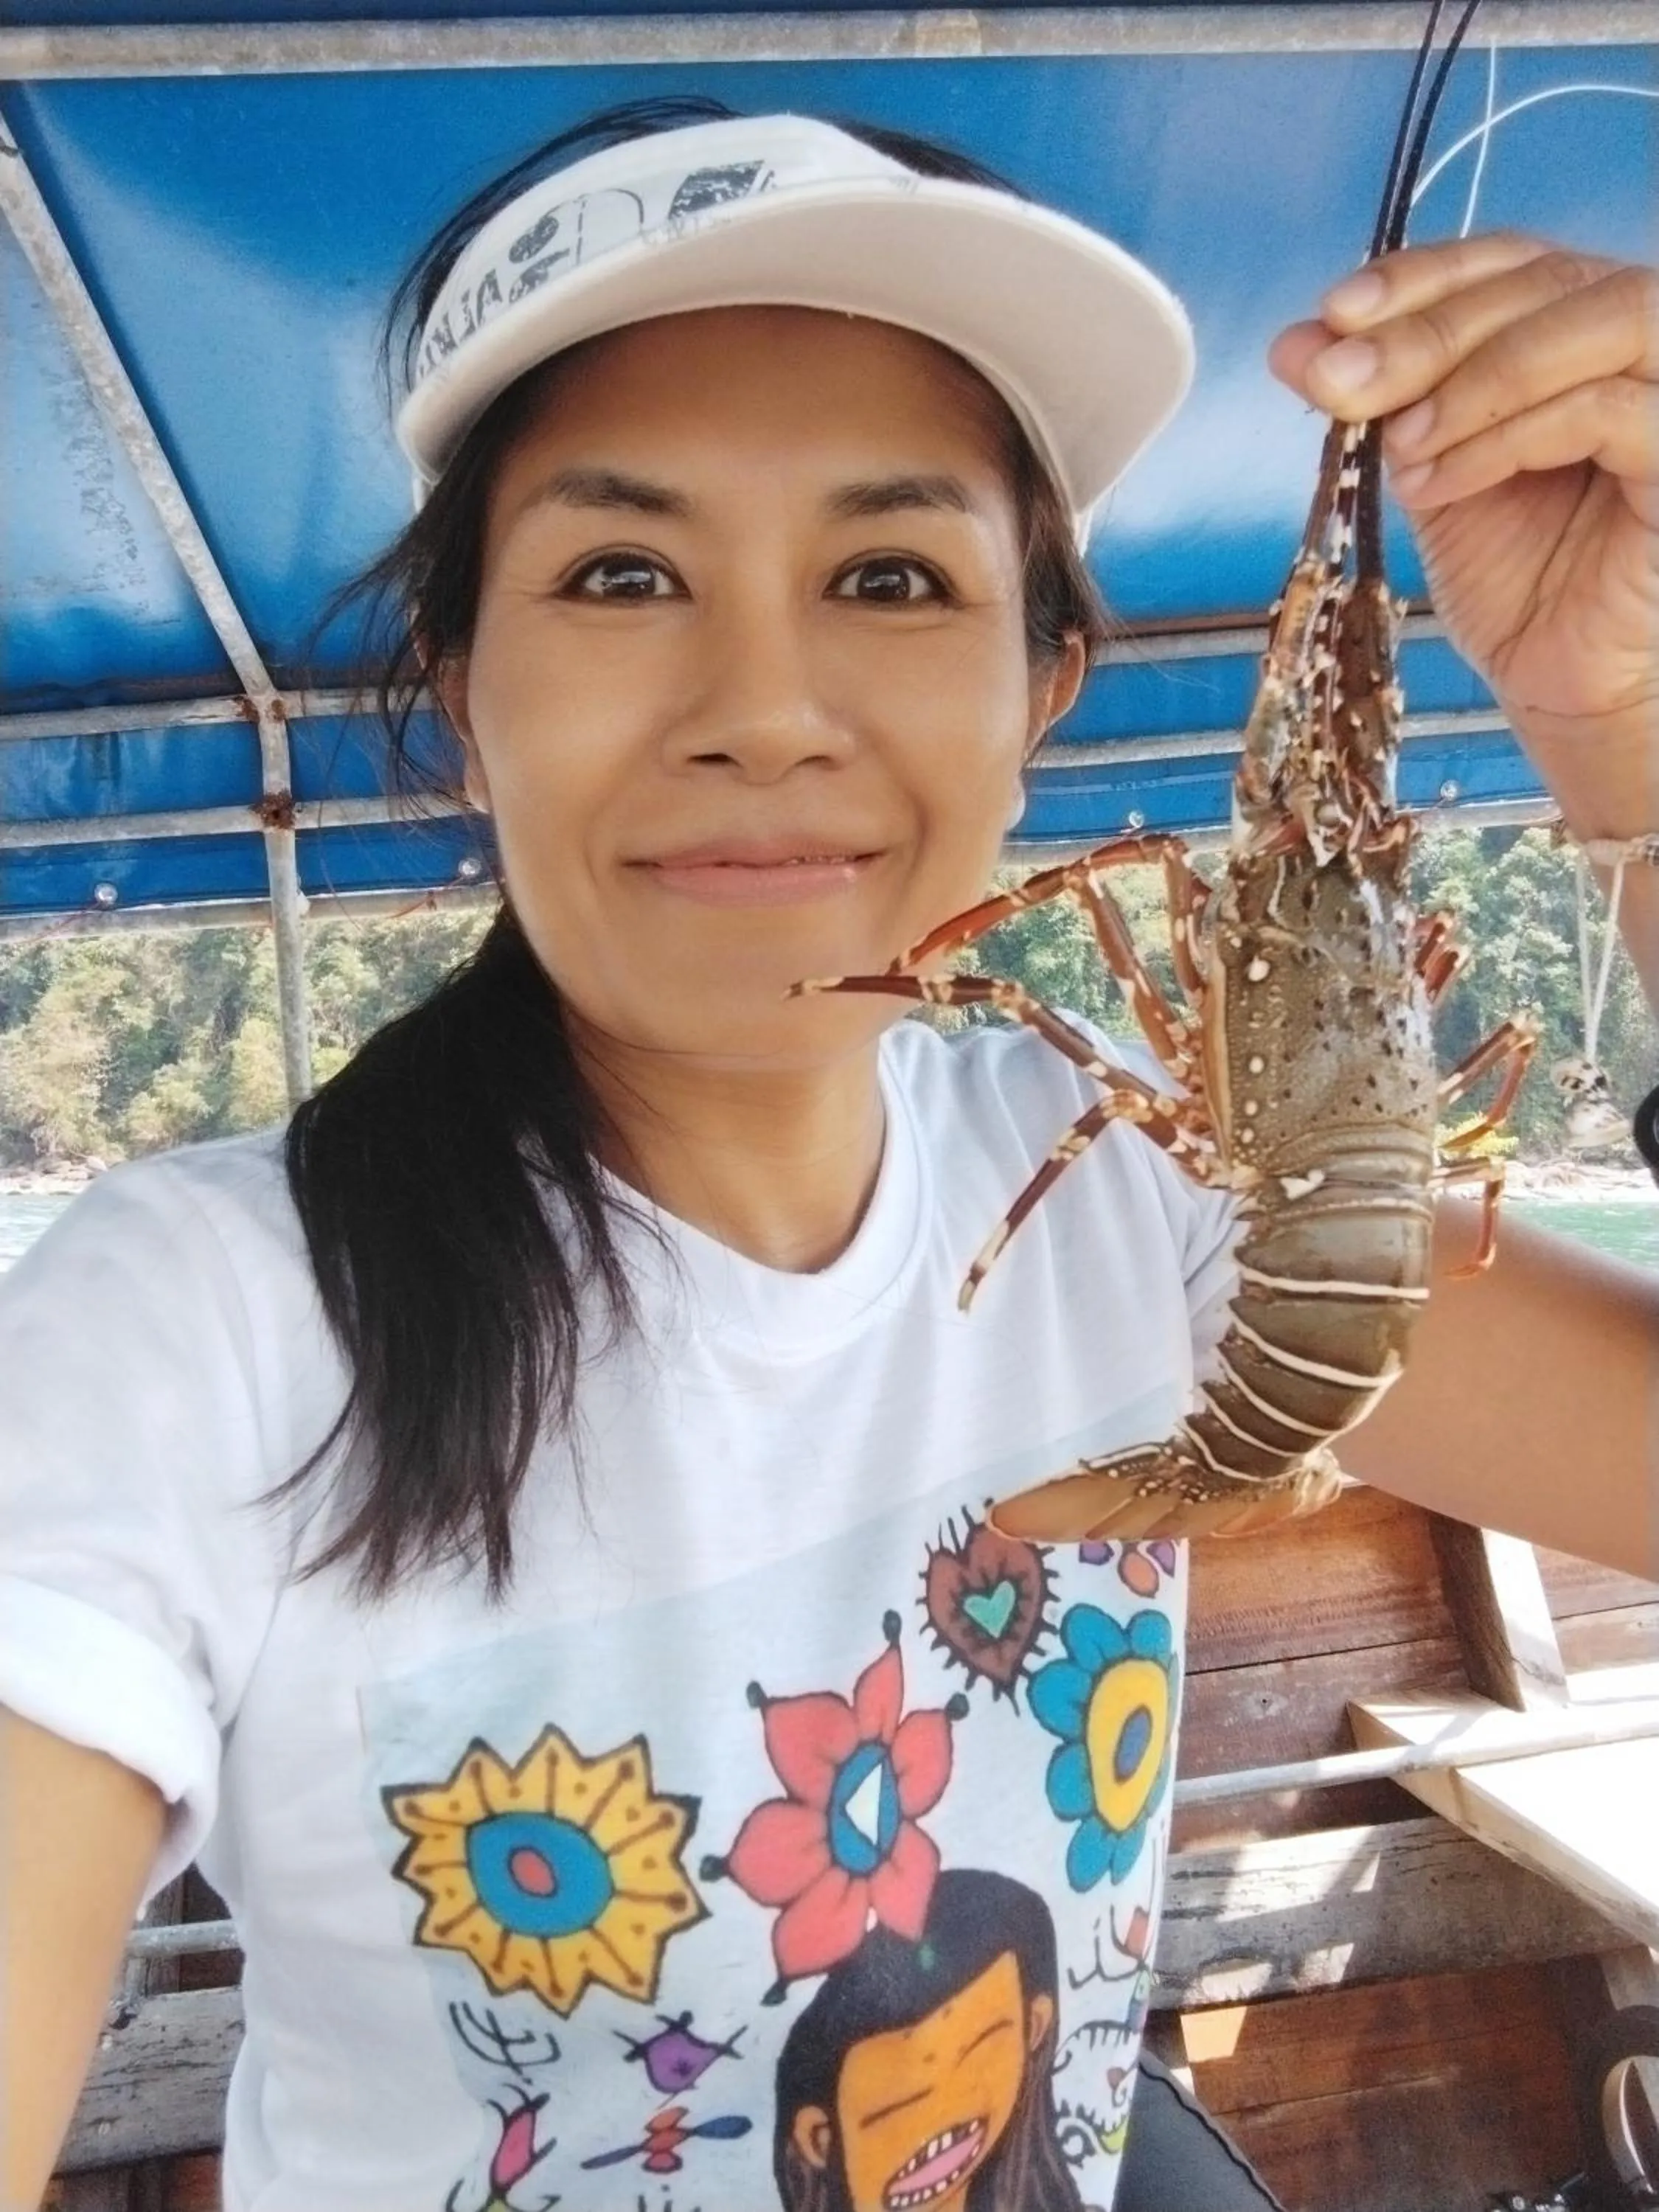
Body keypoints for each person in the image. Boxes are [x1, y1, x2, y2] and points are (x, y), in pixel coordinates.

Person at [1, 94, 1654, 2212]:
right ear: (462, 689)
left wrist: (1626, 726)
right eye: (622, 572)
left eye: (888, 573)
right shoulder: (190, 1333)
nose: (763, 705)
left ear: (1046, 682)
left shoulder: (1163, 1201)